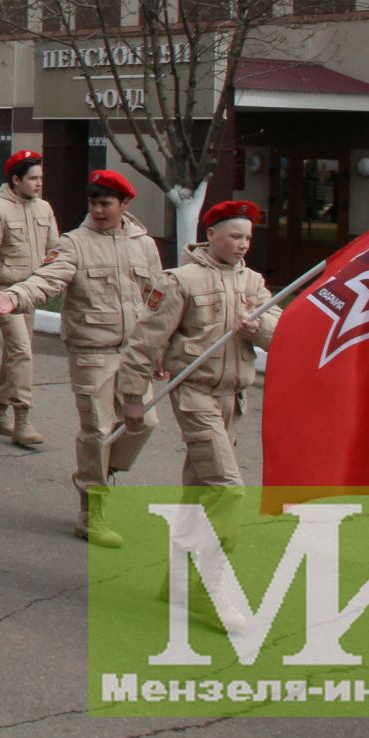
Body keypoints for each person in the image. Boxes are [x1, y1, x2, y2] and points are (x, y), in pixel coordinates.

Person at [0, 169, 162, 548]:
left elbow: (157, 298)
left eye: (106, 204)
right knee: (97, 432)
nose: (99, 211)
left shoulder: (143, 244)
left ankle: (101, 469)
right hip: (93, 352)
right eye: (94, 204)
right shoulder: (75, 244)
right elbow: (47, 279)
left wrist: (160, 349)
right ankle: (91, 510)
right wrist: (15, 297)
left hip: (134, 353)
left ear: (124, 205)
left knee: (144, 422)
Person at [119, 200, 280, 546]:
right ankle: (209, 575)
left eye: (248, 238)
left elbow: (280, 331)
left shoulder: (251, 281)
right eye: (235, 236)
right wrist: (132, 397)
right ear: (211, 234)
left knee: (198, 489)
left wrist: (258, 329)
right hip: (195, 395)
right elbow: (145, 341)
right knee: (227, 489)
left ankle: (177, 579)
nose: (242, 245)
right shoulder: (181, 281)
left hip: (232, 399)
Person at [0, 150, 59, 448]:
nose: (38, 184)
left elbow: (54, 250)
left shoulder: (44, 209)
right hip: (3, 293)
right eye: (32, 178)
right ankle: (22, 418)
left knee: (15, 354)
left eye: (40, 178)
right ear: (15, 180)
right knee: (22, 352)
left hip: (30, 293)